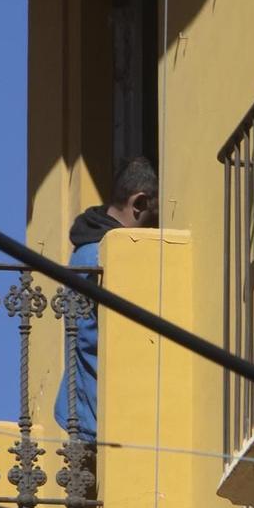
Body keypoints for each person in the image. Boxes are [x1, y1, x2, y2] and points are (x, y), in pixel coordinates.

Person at [54, 157, 159, 442]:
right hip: (96, 417)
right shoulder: (102, 256)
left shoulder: (86, 250)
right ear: (138, 204)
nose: (154, 228)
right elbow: (94, 338)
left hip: (84, 410)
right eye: (153, 214)